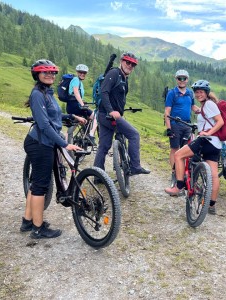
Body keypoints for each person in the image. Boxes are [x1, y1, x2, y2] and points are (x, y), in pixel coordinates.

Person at [21, 59, 86, 239]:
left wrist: (72, 116)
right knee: (41, 185)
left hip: (44, 143)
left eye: (52, 72)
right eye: (45, 72)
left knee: (36, 184)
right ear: (37, 75)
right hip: (40, 144)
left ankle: (27, 221)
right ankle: (38, 228)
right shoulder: (37, 94)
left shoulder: (47, 93)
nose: (50, 75)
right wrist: (65, 144)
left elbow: (54, 116)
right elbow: (44, 125)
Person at [164, 80, 224, 215]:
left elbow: (220, 121)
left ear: (207, 93)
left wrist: (207, 132)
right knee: (214, 175)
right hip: (216, 144)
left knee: (179, 155)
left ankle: (178, 186)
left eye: (201, 92)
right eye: (196, 92)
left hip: (205, 141)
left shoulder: (208, 104)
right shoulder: (207, 105)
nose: (198, 94)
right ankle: (211, 205)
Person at [93, 52, 150, 175]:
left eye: (133, 64)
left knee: (104, 146)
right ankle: (135, 166)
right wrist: (111, 110)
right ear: (121, 61)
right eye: (127, 62)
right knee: (134, 135)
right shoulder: (114, 73)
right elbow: (104, 92)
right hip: (108, 115)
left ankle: (97, 175)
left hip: (104, 115)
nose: (130, 65)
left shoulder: (124, 78)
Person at [164, 69, 199, 178]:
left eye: (184, 78)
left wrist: (202, 110)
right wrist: (169, 128)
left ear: (187, 79)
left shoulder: (190, 93)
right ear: (176, 79)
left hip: (187, 125)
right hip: (175, 124)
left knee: (185, 150)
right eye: (180, 78)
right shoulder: (172, 93)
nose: (182, 80)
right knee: (175, 148)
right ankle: (175, 172)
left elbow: (192, 107)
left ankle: (182, 171)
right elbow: (167, 111)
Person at [66, 64, 98, 146]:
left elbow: (75, 94)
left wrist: (83, 102)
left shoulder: (79, 82)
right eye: (80, 72)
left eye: (84, 73)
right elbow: (76, 93)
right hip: (75, 106)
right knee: (95, 116)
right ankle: (90, 135)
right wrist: (82, 104)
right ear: (77, 72)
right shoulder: (76, 80)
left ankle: (68, 142)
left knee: (83, 120)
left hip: (71, 106)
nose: (82, 74)